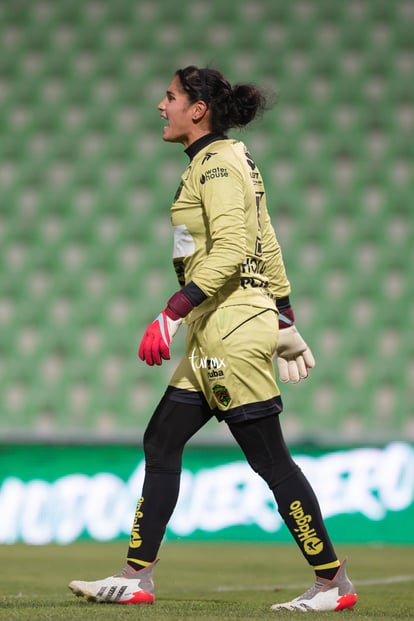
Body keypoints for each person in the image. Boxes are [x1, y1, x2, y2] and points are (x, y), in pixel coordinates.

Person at [69, 65, 358, 612]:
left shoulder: (218, 164)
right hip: (219, 329)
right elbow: (264, 238)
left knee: (271, 461)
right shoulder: (231, 160)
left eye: (171, 96)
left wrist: (172, 312)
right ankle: (137, 576)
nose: (162, 105)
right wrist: (286, 315)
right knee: (162, 440)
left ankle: (331, 582)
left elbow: (230, 248)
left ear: (197, 109)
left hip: (227, 330)